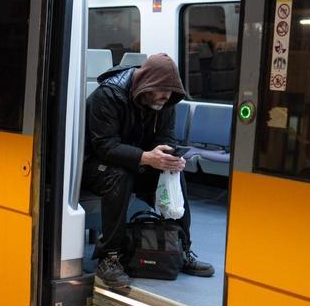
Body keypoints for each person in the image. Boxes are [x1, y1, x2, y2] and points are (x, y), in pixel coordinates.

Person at [82, 53, 214, 292]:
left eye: (171, 92)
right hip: (96, 164)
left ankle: (181, 249)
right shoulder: (108, 95)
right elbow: (105, 146)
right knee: (119, 176)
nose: (167, 97)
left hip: (138, 160)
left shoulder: (165, 103)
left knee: (176, 176)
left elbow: (165, 137)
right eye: (162, 91)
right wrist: (147, 157)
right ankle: (109, 257)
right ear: (146, 84)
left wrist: (170, 159)